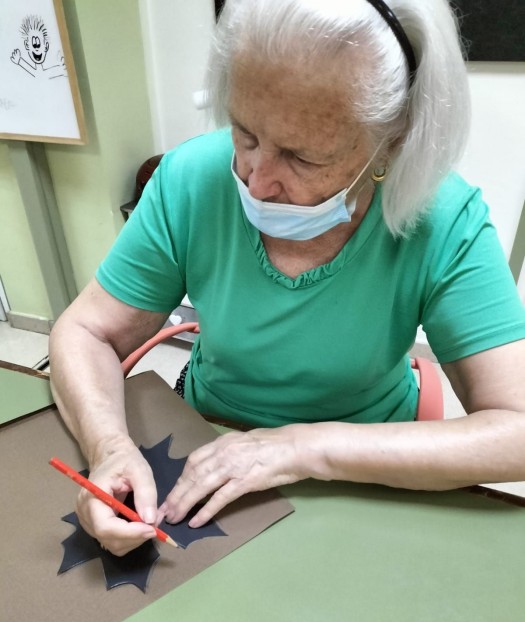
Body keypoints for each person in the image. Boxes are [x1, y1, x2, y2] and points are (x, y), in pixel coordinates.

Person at [49, 0, 525, 556]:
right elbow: (86, 331)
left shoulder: (442, 218)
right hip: (206, 433)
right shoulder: (190, 180)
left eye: (302, 157)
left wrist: (301, 449)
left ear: (393, 141)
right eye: (245, 133)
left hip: (366, 466)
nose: (256, 182)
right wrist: (108, 446)